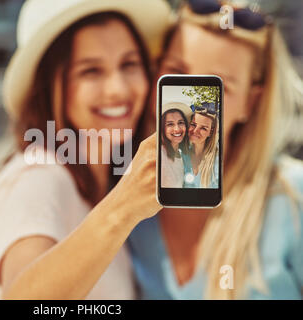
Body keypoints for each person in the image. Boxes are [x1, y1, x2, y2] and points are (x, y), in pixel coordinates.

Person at [0, 0, 172, 299]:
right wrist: (124, 208)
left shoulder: (96, 191)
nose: (118, 88)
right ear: (51, 85)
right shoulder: (37, 178)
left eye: (129, 64)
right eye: (91, 71)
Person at [129, 0, 303, 299]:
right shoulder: (126, 202)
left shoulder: (292, 197)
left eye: (216, 87)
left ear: (251, 101)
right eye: (176, 72)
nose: (191, 103)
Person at [182, 106, 219, 188]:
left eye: (203, 128)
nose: (195, 131)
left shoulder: (218, 158)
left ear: (210, 132)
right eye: (193, 125)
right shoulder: (181, 155)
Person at [161, 102, 190, 188]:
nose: (177, 129)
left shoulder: (181, 155)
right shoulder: (160, 155)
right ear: (162, 128)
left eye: (181, 122)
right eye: (170, 124)